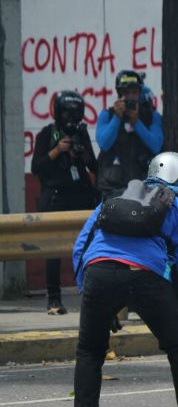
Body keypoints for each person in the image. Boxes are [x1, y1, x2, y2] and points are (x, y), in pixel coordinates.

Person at [70, 151, 178, 407]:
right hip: (146, 277)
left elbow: (81, 246)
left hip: (98, 273)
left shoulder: (118, 196)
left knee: (89, 351)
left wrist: (90, 290)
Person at [31, 90, 98, 315]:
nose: (71, 117)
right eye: (67, 112)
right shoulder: (47, 134)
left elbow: (94, 168)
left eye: (75, 113)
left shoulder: (82, 134)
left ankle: (92, 294)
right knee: (53, 249)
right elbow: (36, 167)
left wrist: (81, 153)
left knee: (90, 248)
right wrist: (57, 151)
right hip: (56, 197)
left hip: (80, 196)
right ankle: (54, 299)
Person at [95, 70, 164, 199]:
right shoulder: (107, 115)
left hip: (143, 189)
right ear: (119, 94)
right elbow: (104, 144)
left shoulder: (152, 116)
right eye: (126, 93)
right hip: (113, 189)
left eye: (134, 92)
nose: (131, 97)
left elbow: (156, 145)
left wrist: (136, 122)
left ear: (140, 93)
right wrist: (117, 118)